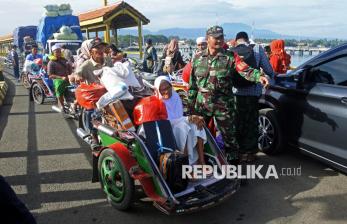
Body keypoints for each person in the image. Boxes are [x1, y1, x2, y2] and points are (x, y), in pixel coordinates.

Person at [188, 26, 269, 163]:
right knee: (196, 136)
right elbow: (192, 85)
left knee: (230, 140)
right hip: (202, 105)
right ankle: (200, 164)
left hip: (223, 105)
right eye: (216, 37)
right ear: (208, 39)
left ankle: (234, 171)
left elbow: (245, 70)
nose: (220, 40)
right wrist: (190, 110)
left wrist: (258, 76)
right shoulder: (197, 58)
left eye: (221, 37)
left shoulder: (230, 57)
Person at [232, 31, 275, 162]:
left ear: (236, 39)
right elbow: (268, 70)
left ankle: (239, 152)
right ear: (247, 39)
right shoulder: (257, 48)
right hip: (253, 93)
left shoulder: (231, 50)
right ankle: (250, 153)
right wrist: (269, 76)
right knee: (251, 123)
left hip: (235, 93)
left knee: (237, 123)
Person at [154, 76, 207, 165]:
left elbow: (179, 116)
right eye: (162, 89)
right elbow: (166, 122)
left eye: (167, 88)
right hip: (167, 129)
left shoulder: (175, 96)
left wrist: (191, 119)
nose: (166, 91)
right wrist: (188, 119)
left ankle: (201, 160)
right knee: (183, 127)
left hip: (180, 122)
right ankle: (186, 165)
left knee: (197, 124)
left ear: (171, 86)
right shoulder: (156, 102)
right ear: (158, 90)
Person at [76, 40, 112, 149]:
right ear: (91, 52)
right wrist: (77, 77)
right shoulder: (86, 65)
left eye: (102, 48)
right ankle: (93, 135)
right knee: (91, 111)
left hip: (110, 92)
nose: (101, 50)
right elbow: (76, 74)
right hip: (94, 96)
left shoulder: (108, 60)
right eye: (98, 48)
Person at [47, 44, 72, 110]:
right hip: (57, 80)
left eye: (59, 51)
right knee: (60, 85)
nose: (59, 53)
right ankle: (61, 104)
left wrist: (71, 72)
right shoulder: (51, 62)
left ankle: (71, 102)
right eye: (57, 51)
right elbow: (50, 75)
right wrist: (61, 77)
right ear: (53, 53)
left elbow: (70, 70)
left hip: (67, 78)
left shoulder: (64, 60)